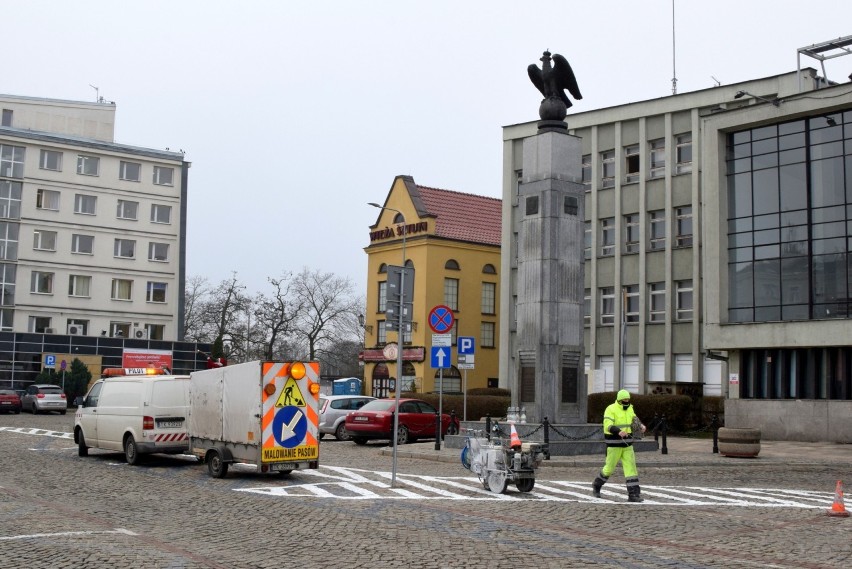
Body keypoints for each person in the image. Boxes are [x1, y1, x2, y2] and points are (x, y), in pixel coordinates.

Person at [592, 389, 646, 502]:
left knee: (631, 469)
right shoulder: (611, 409)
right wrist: (618, 431)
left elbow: (634, 419)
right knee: (609, 469)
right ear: (619, 400)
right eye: (624, 400)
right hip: (614, 444)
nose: (627, 401)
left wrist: (641, 426)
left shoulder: (630, 408)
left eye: (628, 399)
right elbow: (607, 425)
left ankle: (633, 495)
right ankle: (597, 485)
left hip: (627, 444)